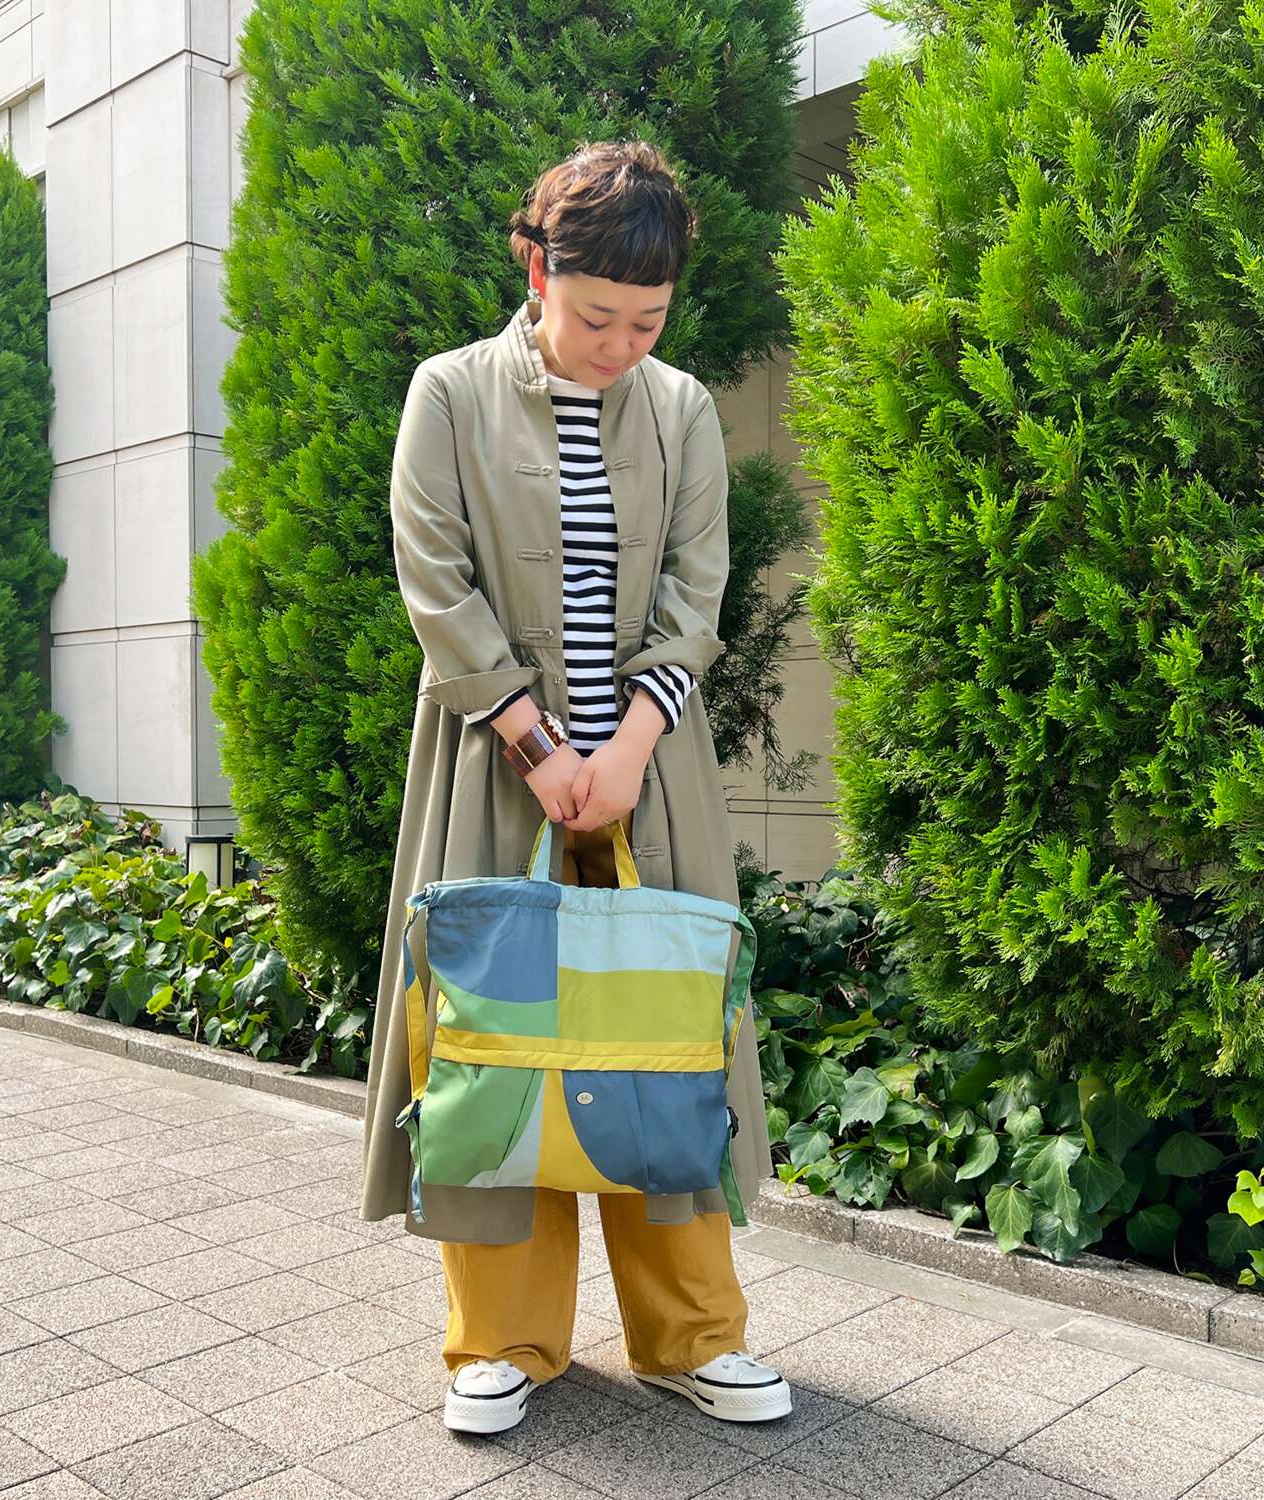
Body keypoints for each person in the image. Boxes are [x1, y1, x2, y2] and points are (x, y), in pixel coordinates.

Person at [359, 139, 787, 1435]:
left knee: (667, 1045)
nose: (620, 344)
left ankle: (695, 1338)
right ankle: (499, 1342)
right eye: (597, 315)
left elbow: (697, 595)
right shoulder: (450, 393)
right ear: (538, 270)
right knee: (497, 1042)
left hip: (651, 779)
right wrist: (540, 749)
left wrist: (626, 750)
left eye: (646, 322)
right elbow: (435, 580)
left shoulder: (682, 409)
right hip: (498, 778)